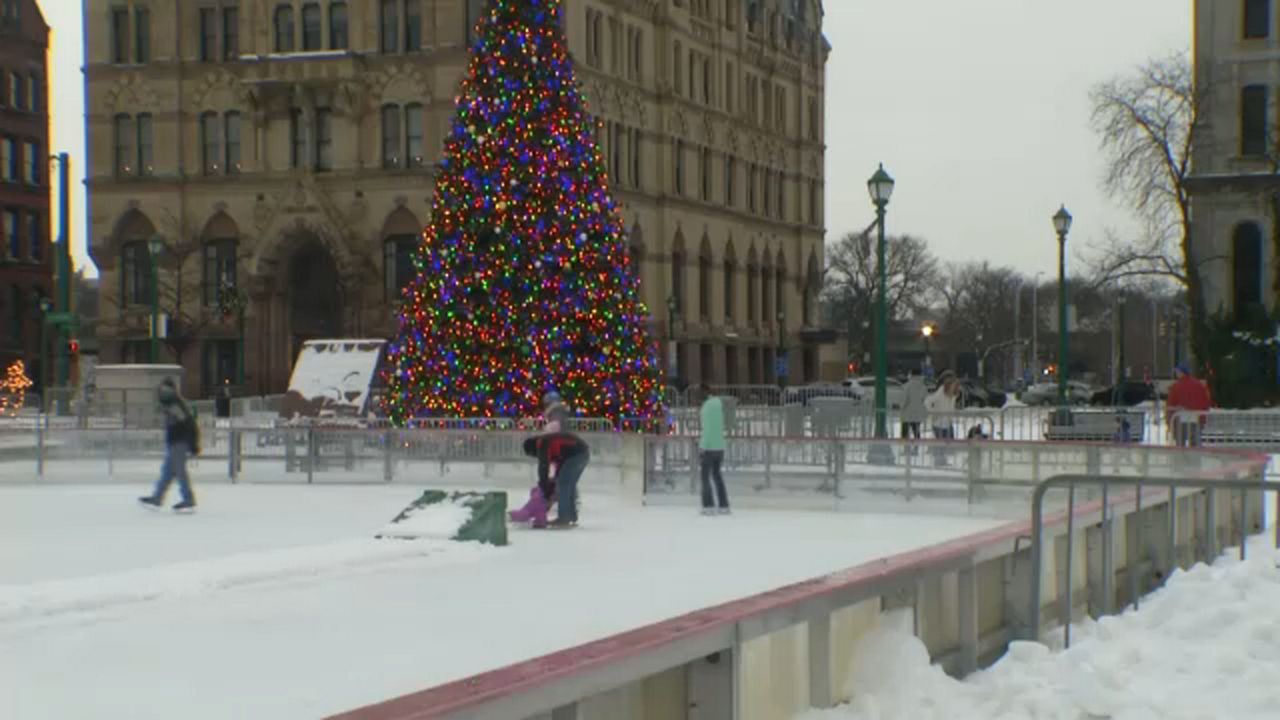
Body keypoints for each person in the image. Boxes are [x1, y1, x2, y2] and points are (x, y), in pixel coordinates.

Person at [139, 378, 200, 512]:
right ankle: (157, 498)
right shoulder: (170, 406)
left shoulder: (176, 406)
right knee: (167, 472)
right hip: (174, 442)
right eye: (162, 390)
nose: (163, 393)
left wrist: (193, 444)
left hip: (180, 442)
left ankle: (188, 499)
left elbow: (189, 424)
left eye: (165, 391)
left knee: (179, 471)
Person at [521, 430, 589, 528]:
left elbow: (544, 466)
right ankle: (571, 516)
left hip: (577, 455)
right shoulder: (551, 443)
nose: (537, 456)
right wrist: (550, 488)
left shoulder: (542, 442)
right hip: (581, 454)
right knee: (567, 485)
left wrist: (543, 488)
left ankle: (564, 518)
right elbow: (560, 466)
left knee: (563, 485)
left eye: (533, 454)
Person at [697, 384, 730, 515]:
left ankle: (708, 505)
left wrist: (702, 446)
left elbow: (707, 429)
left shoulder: (706, 408)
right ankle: (724, 504)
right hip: (720, 446)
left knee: (705, 477)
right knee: (717, 475)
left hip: (709, 447)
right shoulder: (719, 405)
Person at [1166, 364, 1212, 447]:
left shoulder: (1175, 386)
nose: (1176, 374)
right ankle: (1196, 458)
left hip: (1180, 419)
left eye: (1176, 372)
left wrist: (1169, 422)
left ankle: (1181, 459)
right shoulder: (1200, 385)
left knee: (1180, 444)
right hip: (1197, 418)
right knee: (1195, 443)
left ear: (1180, 372)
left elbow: (1170, 405)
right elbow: (1206, 402)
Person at [900, 371, 928, 440]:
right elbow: (925, 400)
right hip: (918, 414)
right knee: (916, 431)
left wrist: (901, 407)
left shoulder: (906, 386)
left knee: (905, 433)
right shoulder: (924, 387)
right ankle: (917, 447)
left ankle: (906, 448)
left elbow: (904, 400)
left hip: (907, 414)